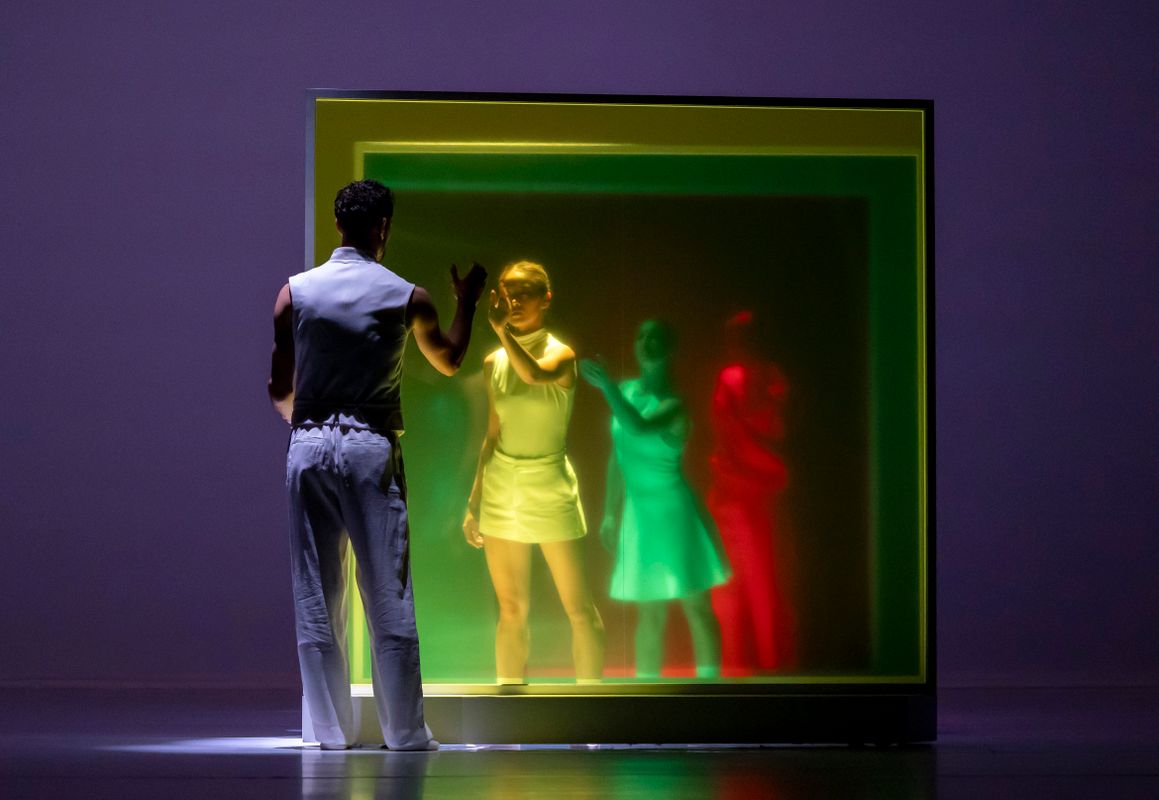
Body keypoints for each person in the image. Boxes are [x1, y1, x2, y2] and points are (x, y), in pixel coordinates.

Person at [267, 179, 486, 750]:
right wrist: (466, 302)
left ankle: (330, 732)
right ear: (383, 226)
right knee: (388, 589)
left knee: (317, 593)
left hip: (309, 443)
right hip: (370, 443)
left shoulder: (294, 293)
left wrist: (308, 423)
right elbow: (450, 360)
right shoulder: (407, 296)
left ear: (339, 223)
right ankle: (405, 732)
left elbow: (279, 387)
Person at [461, 261, 605, 684]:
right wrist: (474, 502)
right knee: (510, 609)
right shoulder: (493, 362)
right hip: (502, 487)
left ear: (546, 299)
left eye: (525, 293)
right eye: (509, 293)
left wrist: (502, 332)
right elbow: (492, 433)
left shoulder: (561, 354)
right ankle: (509, 704)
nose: (515, 302)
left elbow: (534, 373)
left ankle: (593, 702)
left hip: (550, 484)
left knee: (578, 607)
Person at [579, 320, 730, 679]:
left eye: (656, 336)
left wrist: (606, 386)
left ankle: (711, 692)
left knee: (697, 607)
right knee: (650, 614)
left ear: (671, 349)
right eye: (641, 335)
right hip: (640, 516)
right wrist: (610, 513)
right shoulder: (626, 391)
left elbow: (639, 427)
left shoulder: (675, 405)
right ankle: (647, 694)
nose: (647, 341)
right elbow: (618, 455)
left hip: (674, 514)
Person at [707, 310, 795, 674]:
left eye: (743, 336)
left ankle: (772, 666)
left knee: (762, 583)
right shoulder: (731, 378)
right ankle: (733, 663)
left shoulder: (771, 378)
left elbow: (770, 433)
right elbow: (727, 432)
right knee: (729, 585)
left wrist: (745, 459)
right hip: (732, 491)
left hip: (756, 491)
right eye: (733, 336)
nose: (736, 344)